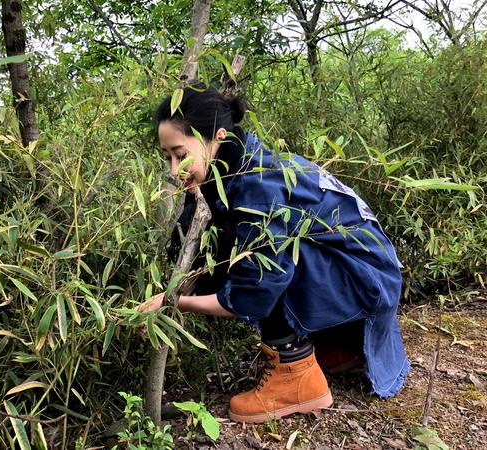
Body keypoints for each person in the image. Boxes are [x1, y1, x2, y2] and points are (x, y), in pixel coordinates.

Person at [138, 83, 409, 424]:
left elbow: (256, 289)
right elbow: (195, 249)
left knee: (262, 259)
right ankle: (337, 346)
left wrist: (175, 301)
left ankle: (295, 375)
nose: (175, 169)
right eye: (168, 158)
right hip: (354, 276)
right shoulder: (232, 170)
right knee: (234, 245)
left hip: (367, 283)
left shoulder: (258, 182)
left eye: (181, 153)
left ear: (218, 137)